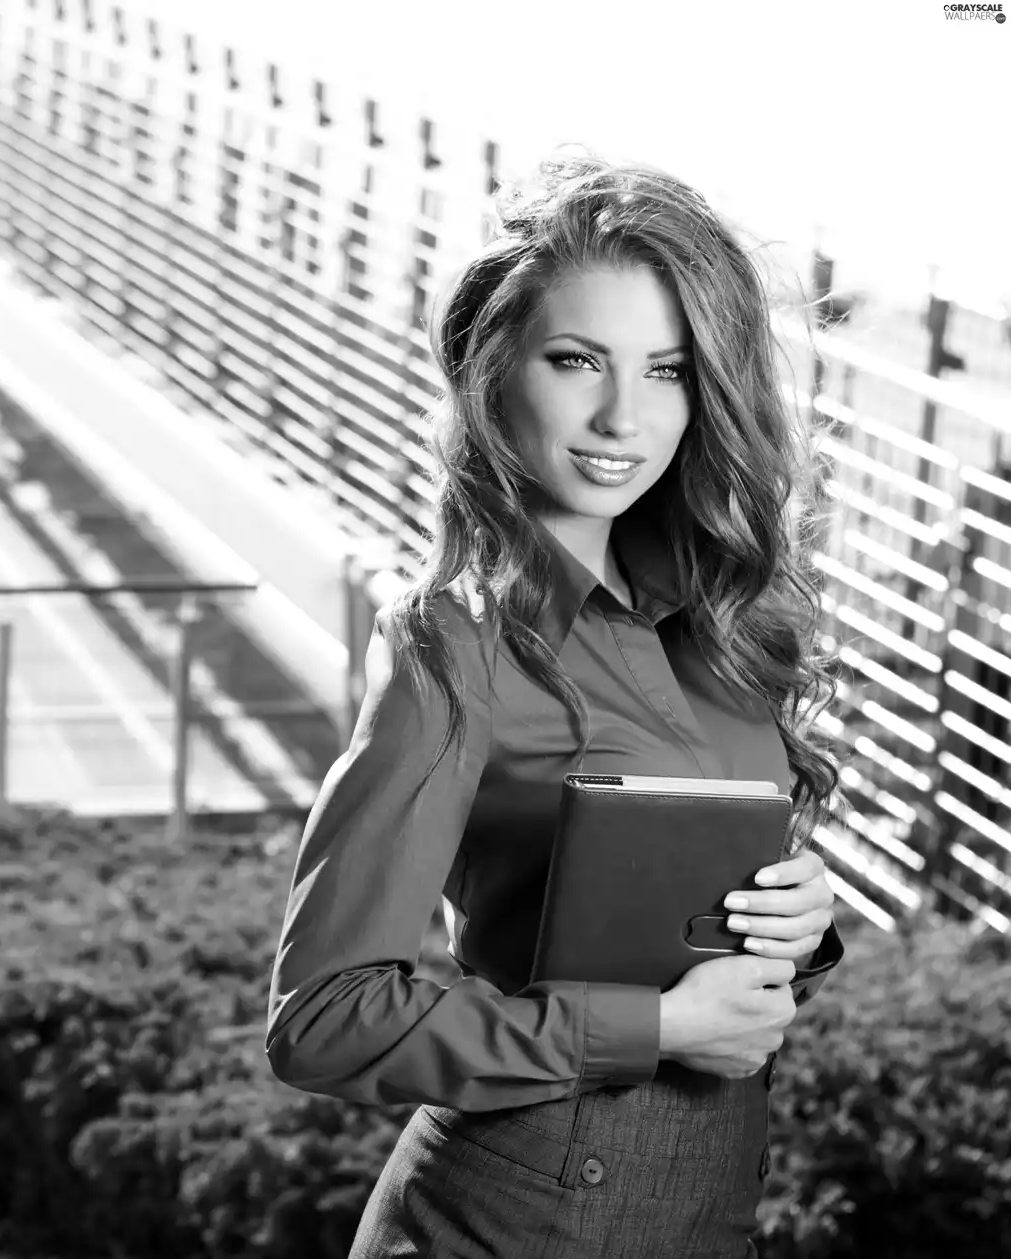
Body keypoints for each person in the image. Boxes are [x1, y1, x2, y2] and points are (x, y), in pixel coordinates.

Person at [263, 152, 846, 1258]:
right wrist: (658, 1026)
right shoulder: (453, 648)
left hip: (703, 1214)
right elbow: (323, 1019)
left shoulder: (723, 625)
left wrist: (797, 927)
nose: (624, 415)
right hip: (507, 1221)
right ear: (494, 371)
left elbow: (686, 919)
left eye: (668, 371)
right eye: (579, 360)